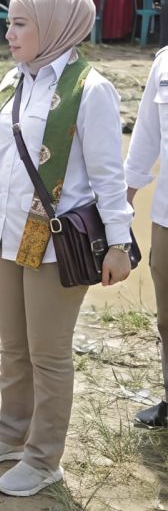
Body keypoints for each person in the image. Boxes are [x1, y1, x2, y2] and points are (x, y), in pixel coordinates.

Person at [0, 0, 134, 497]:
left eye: (20, 24)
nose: (8, 33)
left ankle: (43, 459)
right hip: (6, 236)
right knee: (14, 348)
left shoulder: (91, 88)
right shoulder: (12, 82)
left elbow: (108, 175)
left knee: (48, 354)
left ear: (56, 26)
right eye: (10, 22)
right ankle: (12, 436)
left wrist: (120, 244)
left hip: (56, 247)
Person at [125, 45, 168, 428]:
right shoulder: (165, 62)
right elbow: (145, 138)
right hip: (167, 216)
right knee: (167, 315)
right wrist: (123, 203)